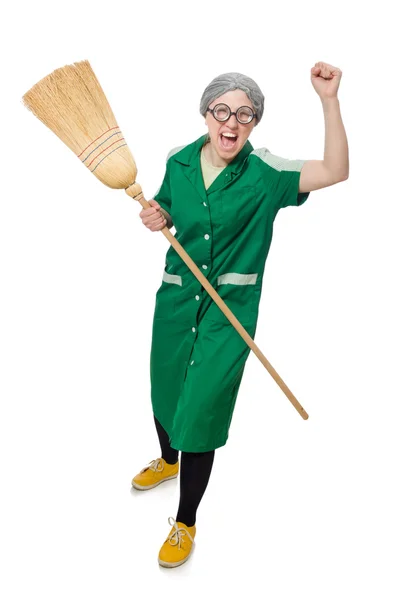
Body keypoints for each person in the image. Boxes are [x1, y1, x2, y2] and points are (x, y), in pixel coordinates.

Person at [131, 63, 349, 568]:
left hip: (227, 316)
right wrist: (157, 216)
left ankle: (184, 522)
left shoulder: (266, 173)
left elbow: (336, 171)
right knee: (165, 390)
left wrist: (329, 100)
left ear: (254, 123)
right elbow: (167, 210)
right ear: (207, 113)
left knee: (201, 411)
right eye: (222, 110)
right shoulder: (179, 160)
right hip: (176, 301)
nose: (231, 122)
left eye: (245, 114)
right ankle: (167, 462)